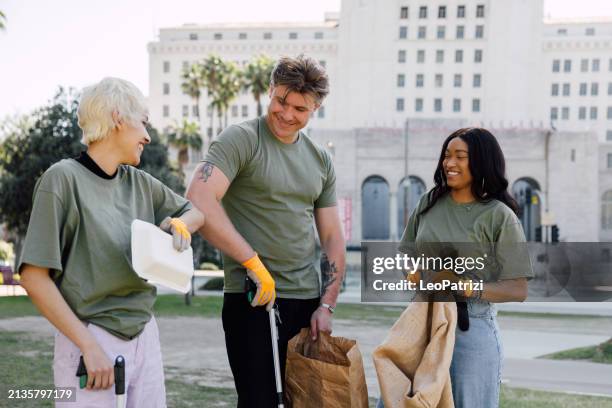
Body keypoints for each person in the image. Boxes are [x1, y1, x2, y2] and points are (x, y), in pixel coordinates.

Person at [19, 77, 205, 407]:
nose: (147, 136)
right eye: (143, 123)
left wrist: (180, 224)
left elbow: (195, 213)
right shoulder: (61, 180)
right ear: (118, 118)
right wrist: (88, 346)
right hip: (89, 340)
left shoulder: (141, 183)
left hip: (145, 335)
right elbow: (34, 277)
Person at [186, 55, 346, 407]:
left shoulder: (321, 160)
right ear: (270, 91)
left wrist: (327, 305)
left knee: (302, 402)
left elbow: (332, 237)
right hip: (252, 298)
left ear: (315, 108)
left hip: (306, 302)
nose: (287, 115)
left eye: (300, 109)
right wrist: (253, 263)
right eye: (281, 101)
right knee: (259, 401)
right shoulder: (240, 140)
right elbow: (199, 196)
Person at [394, 128, 533, 408]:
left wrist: (463, 285)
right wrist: (414, 274)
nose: (449, 163)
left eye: (460, 156)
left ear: (481, 161)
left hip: (471, 331)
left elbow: (518, 288)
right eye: (447, 156)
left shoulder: (499, 216)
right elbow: (405, 255)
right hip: (422, 322)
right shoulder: (429, 202)